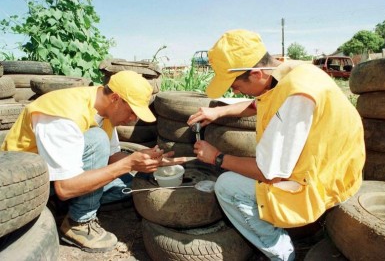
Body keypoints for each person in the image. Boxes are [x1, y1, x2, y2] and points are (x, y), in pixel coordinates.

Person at [187, 29, 365, 261]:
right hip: (340, 167)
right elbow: (261, 101)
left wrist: (217, 157)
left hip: (322, 183)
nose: (233, 91)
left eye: (235, 86)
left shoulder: (294, 96)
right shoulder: (292, 71)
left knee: (227, 185)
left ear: (256, 73)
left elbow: (267, 172)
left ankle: (282, 254)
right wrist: (219, 110)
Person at [2, 70, 185, 253]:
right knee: (98, 140)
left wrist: (149, 163)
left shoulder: (104, 112)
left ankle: (59, 206)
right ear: (115, 98)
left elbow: (112, 157)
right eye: (132, 111)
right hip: (26, 184)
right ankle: (78, 222)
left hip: (62, 176)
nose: (133, 119)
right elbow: (65, 187)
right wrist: (128, 164)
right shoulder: (63, 113)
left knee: (134, 185)